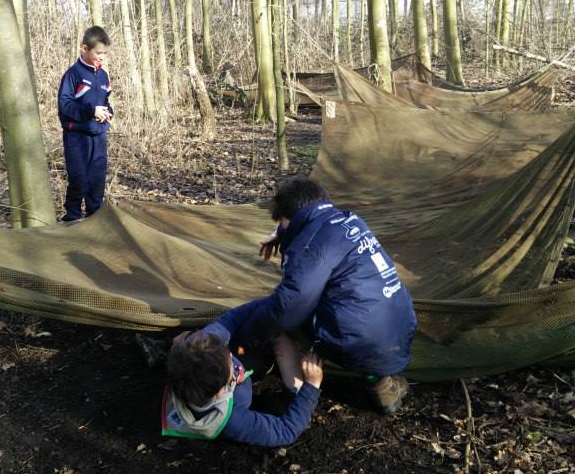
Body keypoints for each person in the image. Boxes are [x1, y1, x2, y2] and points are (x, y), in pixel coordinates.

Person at [186, 176, 417, 415]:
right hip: (399, 329)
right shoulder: (350, 220)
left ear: (291, 217)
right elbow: (313, 234)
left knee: (280, 319)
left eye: (283, 222)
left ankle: (294, 395)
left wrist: (250, 335)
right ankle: (380, 384)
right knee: (347, 306)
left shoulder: (309, 245)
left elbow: (290, 305)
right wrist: (284, 233)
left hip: (356, 340)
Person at [161, 330, 324, 446]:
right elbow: (285, 432)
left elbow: (185, 346)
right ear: (221, 391)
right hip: (244, 395)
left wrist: (187, 338)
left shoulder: (185, 374)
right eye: (231, 364)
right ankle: (292, 398)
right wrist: (311, 386)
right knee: (277, 337)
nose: (232, 356)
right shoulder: (232, 421)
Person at [58, 26, 114, 221]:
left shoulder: (103, 75)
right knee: (78, 178)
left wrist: (107, 113)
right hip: (77, 135)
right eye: (99, 53)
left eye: (105, 53)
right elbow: (65, 106)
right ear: (84, 48)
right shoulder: (73, 74)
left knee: (97, 178)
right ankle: (72, 217)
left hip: (98, 135)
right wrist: (91, 111)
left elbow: (105, 102)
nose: (102, 57)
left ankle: (95, 215)